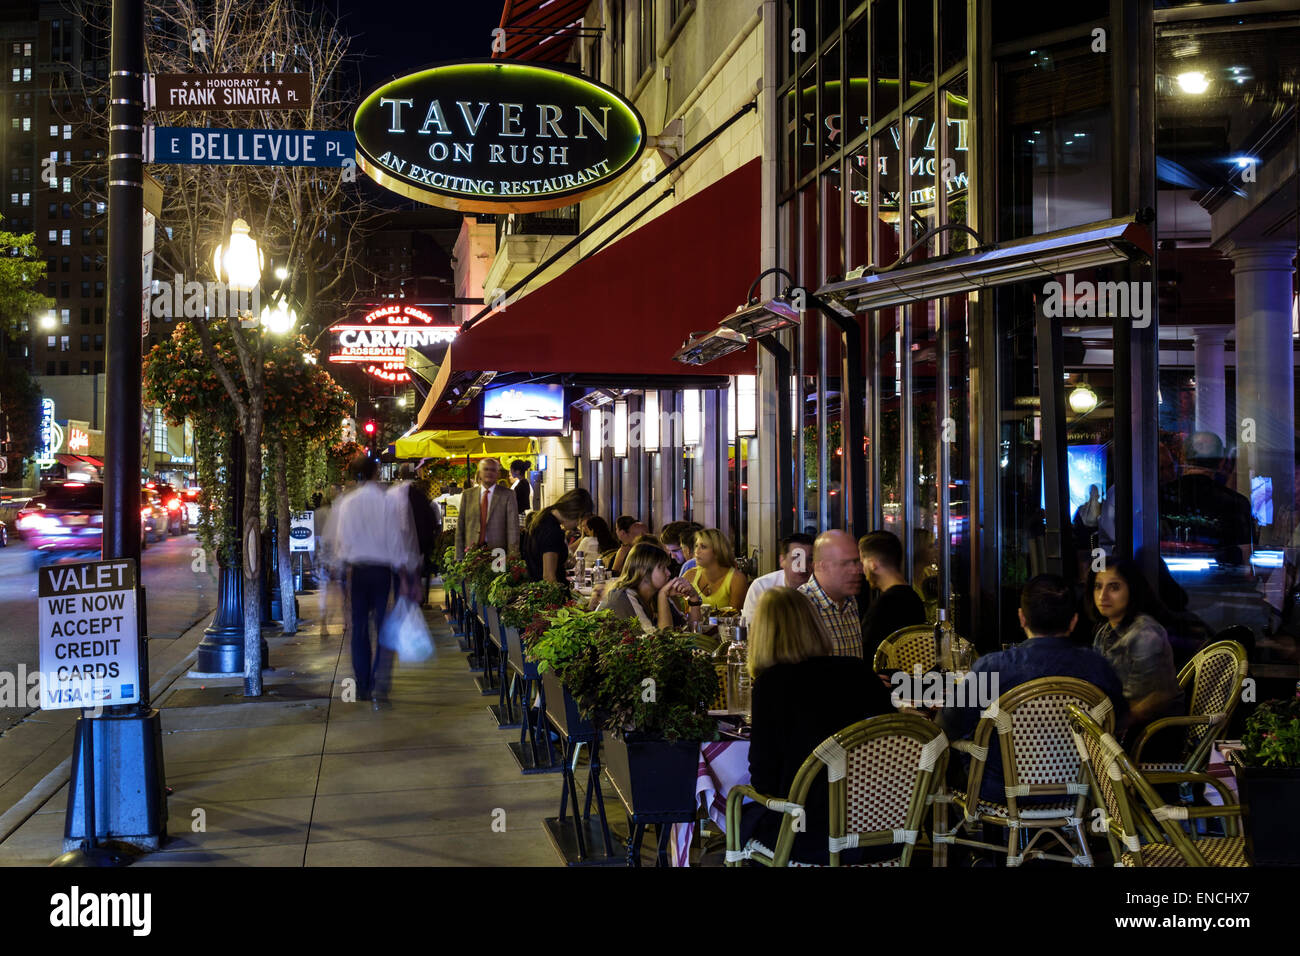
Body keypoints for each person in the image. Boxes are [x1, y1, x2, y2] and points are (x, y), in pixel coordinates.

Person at [937, 574, 1127, 806]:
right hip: (1082, 791)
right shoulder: (1098, 666)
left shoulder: (992, 667)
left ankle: (973, 839)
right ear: (1073, 621)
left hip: (1001, 790)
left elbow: (948, 726)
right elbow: (1119, 722)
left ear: (1022, 618)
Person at [738, 587, 895, 865]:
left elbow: (764, 780)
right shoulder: (857, 671)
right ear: (814, 625)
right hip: (879, 830)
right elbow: (894, 741)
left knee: (741, 812)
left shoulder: (771, 685)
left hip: (804, 836)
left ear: (761, 635)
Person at [332, 454, 417, 709]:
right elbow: (395, 540)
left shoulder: (346, 503)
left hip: (357, 571)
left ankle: (362, 685)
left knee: (359, 628)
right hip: (381, 572)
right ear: (375, 473)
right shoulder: (386, 501)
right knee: (383, 627)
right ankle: (381, 683)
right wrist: (404, 574)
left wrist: (339, 574)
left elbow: (341, 542)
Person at [1086, 557, 1185, 756]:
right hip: (1122, 729)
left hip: (1152, 737)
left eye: (1114, 588)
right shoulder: (1104, 631)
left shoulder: (1144, 633)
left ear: (1132, 590)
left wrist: (1103, 728)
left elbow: (1150, 702)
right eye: (1098, 587)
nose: (1103, 596)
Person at [859, 530, 927, 663]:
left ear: (873, 564)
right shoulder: (913, 598)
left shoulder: (884, 605)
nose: (862, 570)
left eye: (863, 562)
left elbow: (867, 654)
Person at [598, 543, 697, 632]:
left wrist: (694, 599)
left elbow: (688, 630)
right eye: (662, 568)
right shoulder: (623, 597)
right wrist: (663, 596)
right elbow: (658, 644)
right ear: (643, 572)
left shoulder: (656, 592)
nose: (669, 573)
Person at [798, 530, 864, 658]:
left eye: (857, 562)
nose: (857, 570)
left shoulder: (850, 601)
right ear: (821, 566)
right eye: (845, 563)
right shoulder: (801, 606)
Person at [741, 533, 815, 625]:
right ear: (782, 560)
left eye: (810, 560)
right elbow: (749, 629)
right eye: (796, 559)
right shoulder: (761, 587)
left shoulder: (822, 590)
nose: (803, 566)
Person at [454, 457, 520, 560]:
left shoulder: (508, 495)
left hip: (498, 553)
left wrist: (513, 557)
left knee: (497, 575)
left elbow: (513, 529)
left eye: (493, 470)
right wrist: (458, 557)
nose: (489, 472)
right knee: (472, 577)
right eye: (486, 469)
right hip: (471, 553)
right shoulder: (467, 495)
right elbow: (460, 528)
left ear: (498, 474)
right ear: (479, 473)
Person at [524, 487, 594, 583]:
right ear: (575, 514)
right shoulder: (552, 530)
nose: (577, 525)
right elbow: (549, 576)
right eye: (579, 521)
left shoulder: (542, 519)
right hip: (550, 593)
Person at [683, 528, 748, 613]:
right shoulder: (690, 575)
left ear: (717, 551)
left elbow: (735, 618)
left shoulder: (736, 579)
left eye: (703, 547)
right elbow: (680, 613)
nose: (696, 551)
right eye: (696, 546)